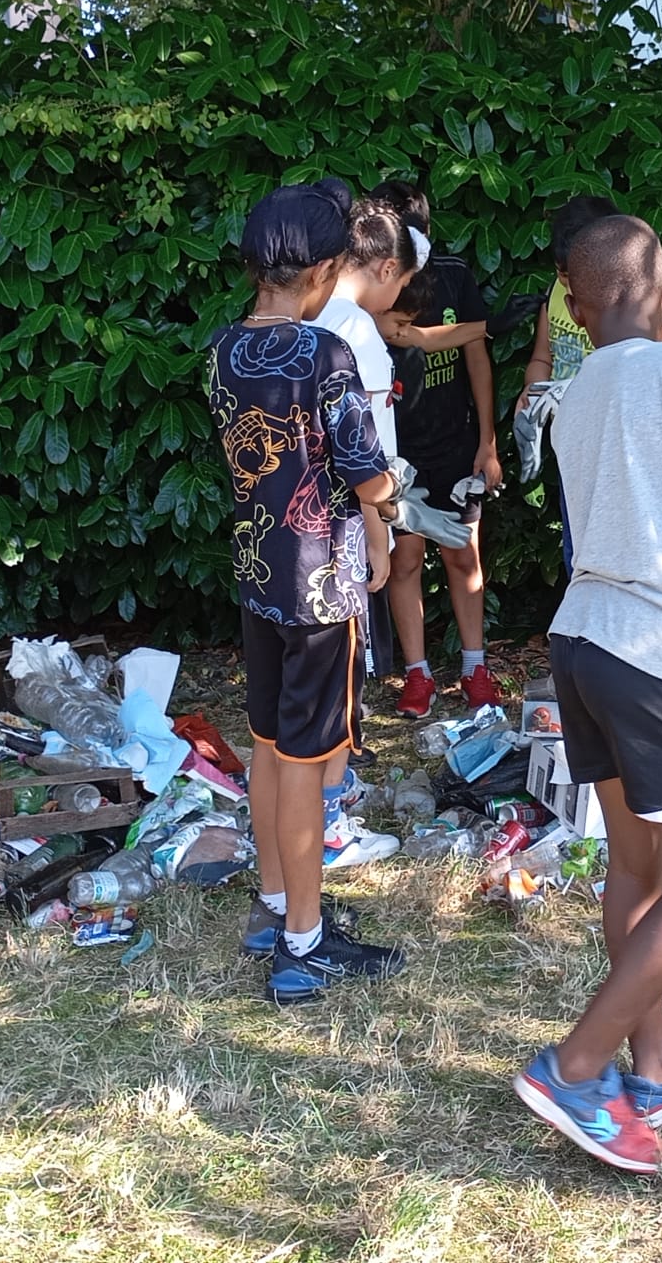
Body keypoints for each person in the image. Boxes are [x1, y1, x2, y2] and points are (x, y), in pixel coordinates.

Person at [512, 213, 662, 1175]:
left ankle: (653, 1062)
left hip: (581, 642)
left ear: (573, 306)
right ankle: (577, 1067)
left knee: (637, 870)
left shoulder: (569, 393)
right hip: (658, 652)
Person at [207, 179, 407, 1004]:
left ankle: (276, 903)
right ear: (325, 269)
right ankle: (304, 942)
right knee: (305, 759)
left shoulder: (221, 348)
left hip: (259, 573)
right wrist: (394, 517)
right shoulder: (327, 354)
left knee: (265, 743)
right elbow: (366, 473)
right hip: (323, 582)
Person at [305, 195, 422, 865]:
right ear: (381, 268)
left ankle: (328, 795)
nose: (398, 296)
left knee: (309, 678)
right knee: (342, 673)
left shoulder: (298, 312)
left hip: (289, 528)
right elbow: (367, 452)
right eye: (402, 282)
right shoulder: (359, 334)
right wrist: (380, 537)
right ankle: (328, 822)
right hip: (345, 525)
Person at [371, 179, 505, 717]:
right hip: (397, 454)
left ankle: (475, 667)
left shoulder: (454, 277)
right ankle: (417, 675)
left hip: (456, 445)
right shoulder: (370, 293)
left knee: (463, 554)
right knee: (403, 559)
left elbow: (476, 352)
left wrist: (488, 441)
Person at [518, 195, 618, 576]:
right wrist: (533, 392)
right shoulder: (555, 294)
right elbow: (543, 357)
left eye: (572, 272)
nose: (565, 282)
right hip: (569, 440)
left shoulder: (624, 305)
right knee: (576, 544)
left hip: (610, 443)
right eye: (561, 273)